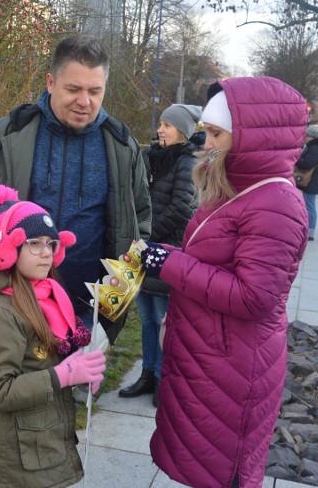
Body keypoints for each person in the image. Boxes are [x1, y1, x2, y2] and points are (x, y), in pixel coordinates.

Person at [0, 33, 151, 487]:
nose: (85, 101)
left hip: (79, 315)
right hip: (11, 311)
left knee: (53, 424)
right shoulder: (8, 135)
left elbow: (140, 229)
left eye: (95, 91)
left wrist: (110, 314)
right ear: (49, 83)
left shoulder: (121, 145)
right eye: (73, 89)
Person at [140, 77, 309, 488]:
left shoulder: (275, 203)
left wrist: (169, 264)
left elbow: (255, 297)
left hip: (234, 368)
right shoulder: (239, 189)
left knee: (223, 470)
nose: (207, 143)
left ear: (251, 137)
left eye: (216, 133)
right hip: (211, 356)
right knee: (203, 467)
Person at [0, 184, 106, 487]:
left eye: (51, 244)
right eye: (34, 243)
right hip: (14, 462)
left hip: (38, 449)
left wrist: (81, 369)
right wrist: (62, 376)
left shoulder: (48, 297)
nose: (46, 253)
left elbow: (44, 358)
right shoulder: (1, 313)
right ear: (10, 248)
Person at [119, 104, 200, 407]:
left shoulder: (188, 163)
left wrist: (146, 238)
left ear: (183, 131)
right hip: (144, 250)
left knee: (161, 318)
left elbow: (182, 208)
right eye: (161, 124)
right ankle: (147, 374)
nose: (160, 130)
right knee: (146, 318)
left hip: (167, 251)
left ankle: (164, 378)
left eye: (167, 125)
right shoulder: (152, 158)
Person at [295, 123, 318, 241]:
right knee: (308, 205)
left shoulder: (316, 149)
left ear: (314, 137)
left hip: (311, 181)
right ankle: (307, 230)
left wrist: (296, 156)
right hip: (312, 180)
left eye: (308, 135)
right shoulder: (317, 147)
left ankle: (310, 232)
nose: (305, 137)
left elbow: (306, 164)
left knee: (310, 206)